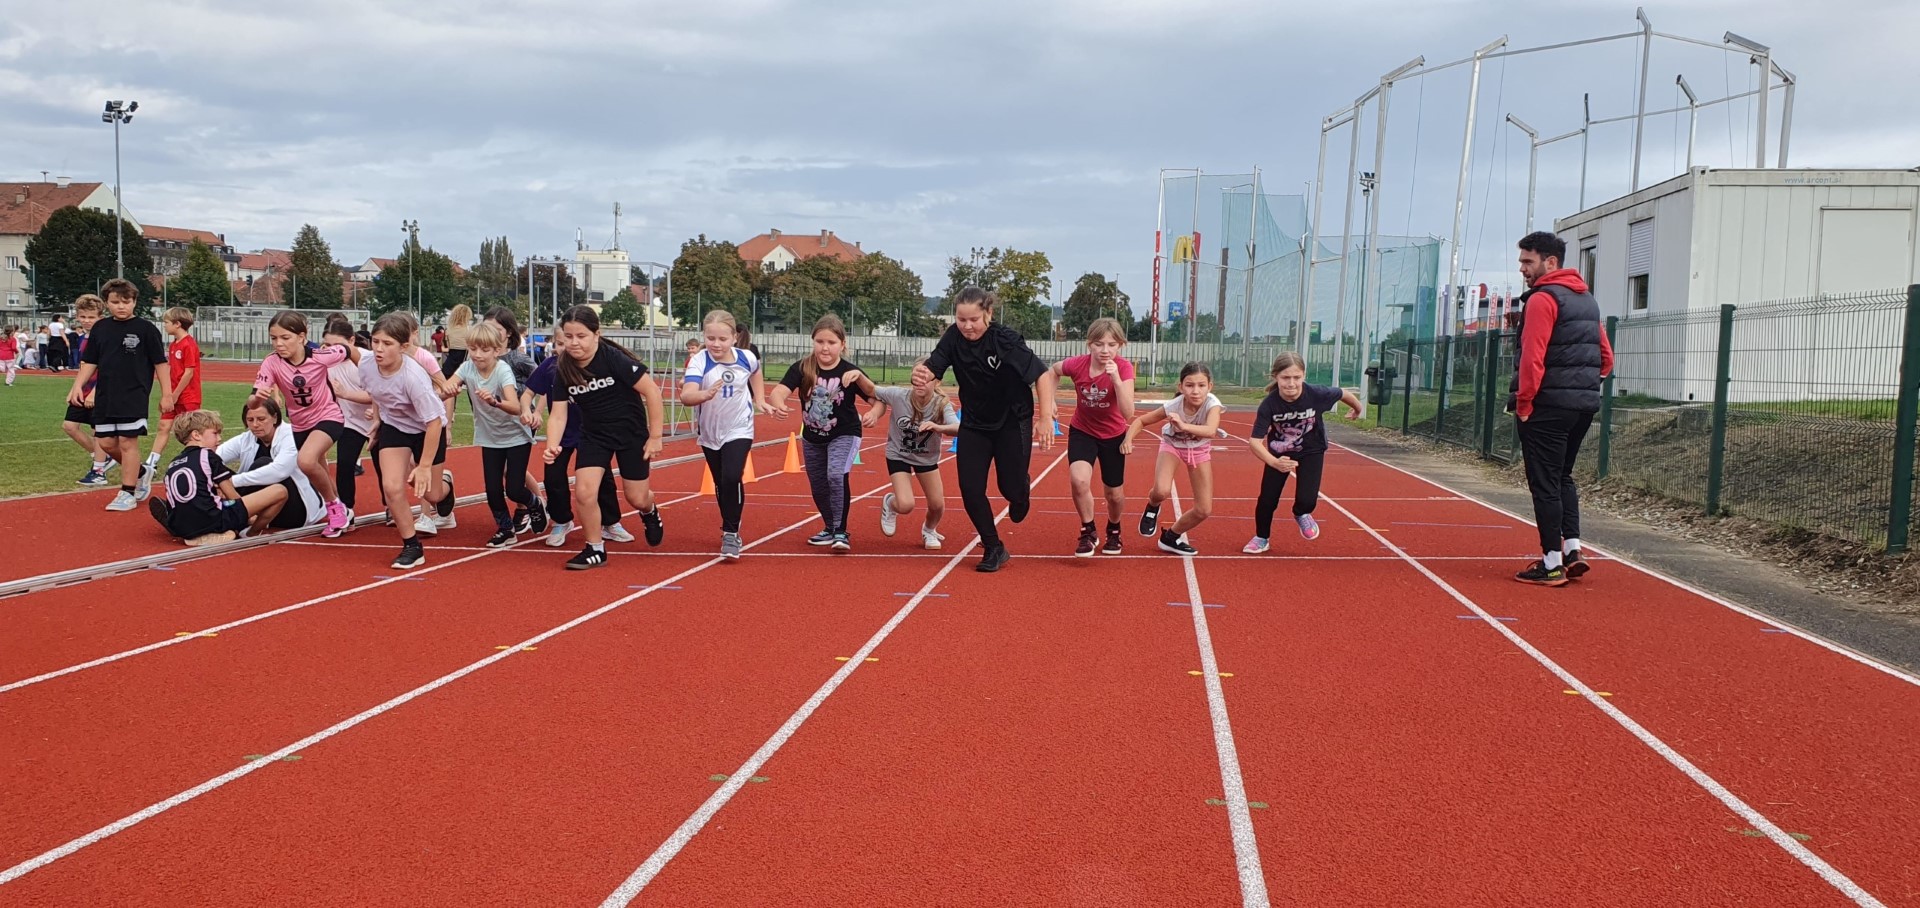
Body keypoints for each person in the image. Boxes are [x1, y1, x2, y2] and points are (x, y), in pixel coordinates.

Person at [910, 287, 1054, 573]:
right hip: (975, 422)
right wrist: (922, 376)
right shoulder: (953, 337)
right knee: (970, 488)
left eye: (974, 319)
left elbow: (1042, 374)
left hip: (1012, 419)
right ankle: (993, 546)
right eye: (961, 319)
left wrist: (1046, 417)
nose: (967, 326)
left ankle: (1020, 491)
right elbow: (934, 369)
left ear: (988, 313)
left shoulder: (1004, 340)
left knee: (1009, 487)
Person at [1509, 230, 1614, 586]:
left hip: (1547, 406)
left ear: (1550, 262)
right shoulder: (1587, 301)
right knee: (1563, 476)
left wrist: (1524, 403)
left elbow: (1532, 358)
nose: (1522, 269)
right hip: (1582, 406)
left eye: (1528, 261)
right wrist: (1584, 387)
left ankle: (1551, 564)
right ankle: (1572, 550)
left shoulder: (1542, 300)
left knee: (1544, 483)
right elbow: (1606, 359)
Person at [542, 305, 665, 570]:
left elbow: (652, 392)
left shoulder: (613, 359)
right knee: (585, 492)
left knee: (636, 497)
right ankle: (595, 548)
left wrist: (655, 436)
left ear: (596, 334)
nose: (574, 343)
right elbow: (558, 415)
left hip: (630, 434)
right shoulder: (563, 368)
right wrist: (552, 445)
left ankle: (650, 510)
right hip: (595, 435)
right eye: (568, 337)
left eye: (581, 336)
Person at [770, 314, 875, 552]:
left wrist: (875, 413)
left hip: (844, 433)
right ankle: (829, 527)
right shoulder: (802, 368)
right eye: (820, 342)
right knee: (818, 485)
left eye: (831, 342)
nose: (825, 348)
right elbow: (778, 392)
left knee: (836, 475)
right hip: (812, 437)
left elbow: (875, 398)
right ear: (813, 342)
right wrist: (778, 404)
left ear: (842, 344)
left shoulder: (850, 371)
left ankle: (841, 530)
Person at [358, 312, 452, 570]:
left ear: (403, 346)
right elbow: (377, 393)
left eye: (387, 344)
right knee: (391, 487)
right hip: (395, 427)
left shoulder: (413, 377)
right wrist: (377, 421)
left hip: (427, 430)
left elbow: (434, 423)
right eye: (375, 341)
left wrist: (424, 466)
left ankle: (446, 486)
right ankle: (412, 545)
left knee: (431, 493)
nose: (379, 349)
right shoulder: (366, 365)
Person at [1243, 352, 1363, 553]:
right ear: (1275, 377)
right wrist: (1274, 462)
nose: (1291, 383)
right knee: (1267, 500)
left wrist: (1357, 409)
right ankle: (1261, 537)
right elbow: (1254, 442)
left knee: (1307, 500)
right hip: (1280, 453)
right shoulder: (1269, 405)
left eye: (1296, 377)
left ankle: (1301, 513)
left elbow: (1343, 393)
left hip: (1312, 450)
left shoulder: (1316, 394)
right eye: (1285, 378)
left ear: (1304, 376)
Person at [68, 279, 171, 512]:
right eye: (115, 302)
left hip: (134, 393)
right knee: (105, 443)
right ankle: (141, 472)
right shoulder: (100, 328)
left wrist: (167, 394)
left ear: (134, 302)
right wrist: (77, 386)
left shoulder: (146, 329)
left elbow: (160, 363)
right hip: (106, 394)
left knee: (127, 441)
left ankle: (128, 492)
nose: (121, 306)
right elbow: (90, 361)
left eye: (126, 301)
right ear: (107, 303)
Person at [250, 311, 354, 537]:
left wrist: (368, 377)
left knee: (305, 461)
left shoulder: (320, 355)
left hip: (328, 415)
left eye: (285, 337)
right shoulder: (271, 362)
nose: (279, 343)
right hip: (300, 424)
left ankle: (335, 508)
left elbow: (349, 350)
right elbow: (252, 402)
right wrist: (258, 398)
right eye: (274, 338)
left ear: (301, 337)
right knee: (319, 471)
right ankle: (342, 511)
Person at [523, 324, 628, 548]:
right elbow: (530, 392)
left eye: (571, 341)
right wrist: (530, 411)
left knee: (603, 478)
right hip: (561, 433)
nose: (566, 347)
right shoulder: (550, 366)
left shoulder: (592, 365)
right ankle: (561, 520)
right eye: (560, 343)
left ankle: (610, 522)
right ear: (554, 344)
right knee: (553, 477)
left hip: (592, 433)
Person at [449, 320, 546, 547]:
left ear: (496, 350)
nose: (477, 355)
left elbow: (515, 406)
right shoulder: (466, 367)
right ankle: (506, 529)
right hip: (489, 436)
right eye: (473, 349)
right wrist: (447, 389)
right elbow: (446, 387)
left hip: (516, 435)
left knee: (514, 488)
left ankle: (535, 503)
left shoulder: (502, 370)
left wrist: (495, 401)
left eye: (484, 350)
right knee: (492, 490)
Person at [1045, 317, 1136, 557]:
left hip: (1113, 435)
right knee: (1079, 480)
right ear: (1089, 344)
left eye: (1112, 345)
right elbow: (1052, 371)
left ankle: (1114, 529)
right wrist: (1050, 400)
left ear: (1120, 345)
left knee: (1114, 494)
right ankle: (1088, 530)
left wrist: (1116, 380)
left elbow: (1128, 412)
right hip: (1083, 431)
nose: (1105, 350)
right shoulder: (1078, 364)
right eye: (1099, 344)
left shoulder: (1124, 368)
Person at [682, 310, 767, 560]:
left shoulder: (746, 357)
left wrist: (760, 399)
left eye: (722, 339)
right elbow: (687, 395)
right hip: (710, 431)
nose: (716, 344)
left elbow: (756, 372)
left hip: (740, 427)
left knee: (731, 476)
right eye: (710, 338)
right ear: (704, 337)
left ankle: (731, 533)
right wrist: (704, 394)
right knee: (721, 481)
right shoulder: (700, 361)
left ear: (734, 338)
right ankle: (730, 520)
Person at [1124, 362, 1222, 556]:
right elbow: (1141, 420)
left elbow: (1211, 430)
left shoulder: (1213, 404)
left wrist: (1183, 426)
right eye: (1189, 385)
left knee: (1203, 510)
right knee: (1161, 490)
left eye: (1201, 385)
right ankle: (1153, 506)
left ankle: (1170, 537)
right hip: (1172, 445)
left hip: (1198, 450)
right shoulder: (1173, 405)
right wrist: (1128, 439)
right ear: (1181, 387)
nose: (1195, 391)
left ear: (1210, 386)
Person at [152, 409, 290, 546]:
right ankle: (250, 533)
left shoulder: (173, 463)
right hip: (212, 519)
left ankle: (198, 531)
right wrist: (247, 514)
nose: (219, 439)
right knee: (280, 491)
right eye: (215, 433)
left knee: (210, 496)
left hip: (179, 525)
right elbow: (233, 496)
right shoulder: (209, 456)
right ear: (196, 435)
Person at [862, 360, 959, 550]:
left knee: (937, 505)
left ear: (937, 381)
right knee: (906, 505)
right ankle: (891, 503)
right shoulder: (898, 395)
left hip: (926, 457)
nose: (920, 383)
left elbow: (957, 427)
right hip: (899, 454)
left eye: (925, 379)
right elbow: (872, 390)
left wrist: (937, 427)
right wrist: (857, 375)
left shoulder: (941, 404)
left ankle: (929, 530)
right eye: (916, 378)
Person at [321, 317, 374, 514]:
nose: (332, 350)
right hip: (350, 422)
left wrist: (345, 394)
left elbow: (381, 393)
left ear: (351, 340)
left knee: (385, 469)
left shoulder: (368, 359)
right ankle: (346, 510)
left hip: (379, 421)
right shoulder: (325, 361)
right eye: (327, 345)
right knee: (344, 465)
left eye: (337, 345)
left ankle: (390, 507)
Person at [145, 307, 203, 482]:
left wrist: (175, 394)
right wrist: (167, 394)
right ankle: (151, 463)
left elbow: (189, 372)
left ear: (177, 324)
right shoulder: (173, 345)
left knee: (190, 431)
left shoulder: (189, 344)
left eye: (167, 322)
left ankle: (200, 461)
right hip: (173, 396)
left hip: (188, 396)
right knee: (163, 426)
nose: (164, 325)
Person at [60, 298, 108, 485]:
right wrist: (74, 389)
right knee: (69, 426)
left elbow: (106, 369)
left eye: (91, 317)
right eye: (83, 317)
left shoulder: (103, 339)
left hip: (99, 391)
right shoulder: (83, 338)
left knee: (98, 431)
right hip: (83, 390)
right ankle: (102, 457)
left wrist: (94, 392)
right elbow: (83, 368)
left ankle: (99, 471)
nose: (86, 321)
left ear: (100, 317)